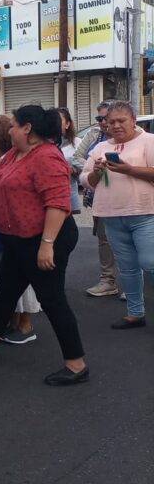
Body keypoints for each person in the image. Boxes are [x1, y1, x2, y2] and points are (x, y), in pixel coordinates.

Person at [0, 106, 88, 386]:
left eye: (12, 124)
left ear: (27, 128)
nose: (8, 129)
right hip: (17, 238)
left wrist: (46, 245)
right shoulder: (14, 154)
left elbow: (58, 204)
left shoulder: (47, 157)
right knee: (7, 288)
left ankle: (76, 364)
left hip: (46, 238)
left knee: (52, 298)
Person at [82, 101, 154, 330]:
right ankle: (135, 313)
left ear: (133, 120)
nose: (115, 125)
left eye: (121, 120)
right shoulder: (100, 148)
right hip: (111, 215)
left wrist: (128, 169)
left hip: (145, 212)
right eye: (110, 121)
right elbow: (85, 181)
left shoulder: (149, 142)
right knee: (127, 267)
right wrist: (96, 172)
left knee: (150, 264)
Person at [0, 115, 41, 345]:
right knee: (0, 275)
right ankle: (9, 318)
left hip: (17, 225)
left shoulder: (12, 158)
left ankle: (25, 321)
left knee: (19, 273)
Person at [71, 102, 120, 298]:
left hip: (128, 195)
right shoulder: (93, 136)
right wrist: (93, 165)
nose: (103, 123)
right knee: (104, 239)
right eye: (99, 118)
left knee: (132, 241)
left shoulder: (136, 137)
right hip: (99, 193)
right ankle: (107, 280)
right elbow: (76, 158)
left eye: (105, 118)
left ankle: (135, 282)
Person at [56, 108, 83, 214]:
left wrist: (70, 169)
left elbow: (85, 170)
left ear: (67, 124)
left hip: (69, 194)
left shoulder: (77, 143)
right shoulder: (43, 143)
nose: (54, 124)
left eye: (58, 120)